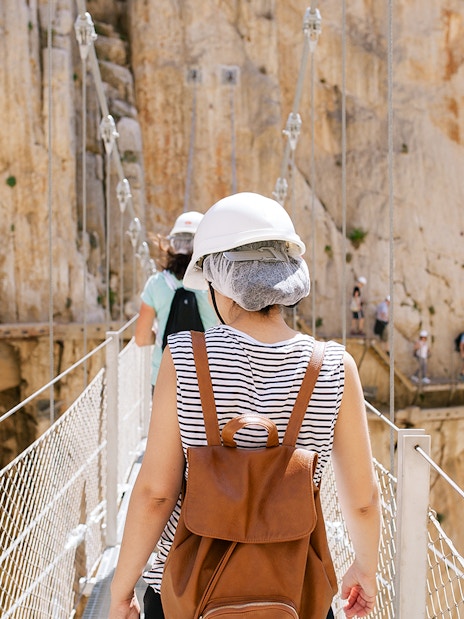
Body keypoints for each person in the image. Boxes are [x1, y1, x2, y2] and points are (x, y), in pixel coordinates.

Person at [109, 192, 381, 619]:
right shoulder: (334, 366)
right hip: (295, 595)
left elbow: (155, 494)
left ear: (217, 280)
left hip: (185, 596)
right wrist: (366, 569)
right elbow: (363, 500)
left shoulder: (184, 357)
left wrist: (120, 591)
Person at [134, 211, 218, 390]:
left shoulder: (155, 284)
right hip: (208, 375)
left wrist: (159, 334)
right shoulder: (216, 283)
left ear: (172, 244)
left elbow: (141, 338)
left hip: (165, 376)